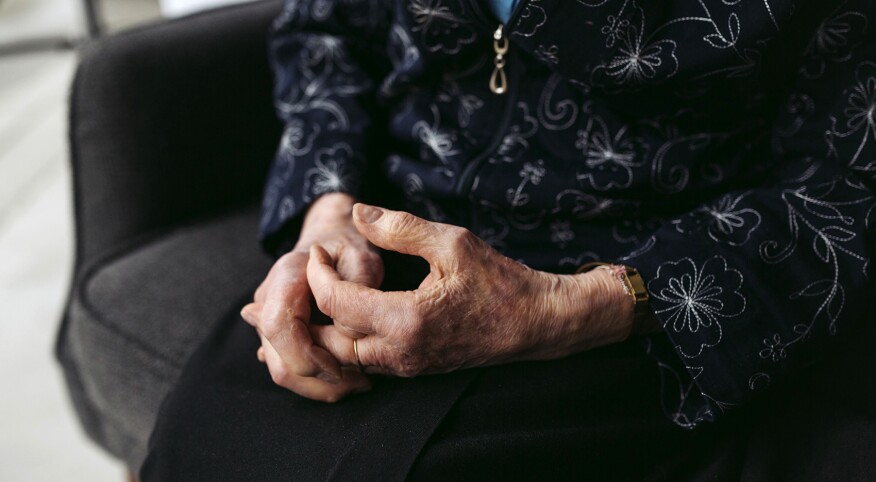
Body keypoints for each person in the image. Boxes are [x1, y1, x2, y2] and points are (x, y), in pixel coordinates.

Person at [142, 0, 876, 479]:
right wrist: (326, 215)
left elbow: (849, 182)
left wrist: (571, 307)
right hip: (393, 232)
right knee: (195, 440)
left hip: (648, 295)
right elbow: (325, 34)